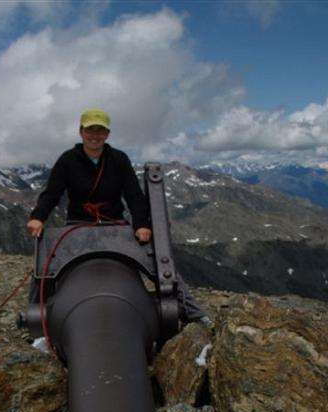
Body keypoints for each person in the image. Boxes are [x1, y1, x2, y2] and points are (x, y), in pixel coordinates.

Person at [26, 108, 210, 326]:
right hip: (78, 224)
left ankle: (194, 313)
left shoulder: (119, 159)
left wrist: (141, 224)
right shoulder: (68, 160)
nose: (95, 135)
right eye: (90, 130)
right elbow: (52, 193)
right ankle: (35, 317)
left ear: (107, 134)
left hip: (115, 224)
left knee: (159, 262)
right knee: (46, 264)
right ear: (81, 132)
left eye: (100, 130)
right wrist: (38, 217)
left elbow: (133, 195)